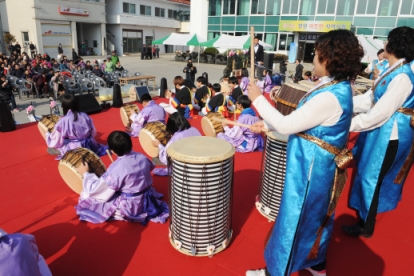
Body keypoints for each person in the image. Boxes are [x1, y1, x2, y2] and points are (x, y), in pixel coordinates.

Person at [245, 29, 364, 276]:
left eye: (318, 55)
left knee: (295, 220)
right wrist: (267, 124)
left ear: (330, 59)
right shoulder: (336, 86)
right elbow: (307, 122)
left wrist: (258, 99)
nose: (313, 59)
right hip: (316, 166)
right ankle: (317, 263)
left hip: (310, 169)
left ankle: (275, 272)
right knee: (316, 217)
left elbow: (289, 124)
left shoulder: (330, 96)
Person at [343, 26, 414, 238]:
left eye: (388, 40)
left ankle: (366, 225)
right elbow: (369, 100)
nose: (384, 43)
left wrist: (347, 124)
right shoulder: (391, 69)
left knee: (372, 177)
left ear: (395, 45)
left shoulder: (403, 77)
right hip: (381, 130)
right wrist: (342, 105)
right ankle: (365, 218)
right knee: (368, 174)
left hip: (391, 134)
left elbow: (381, 113)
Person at [75, 131, 169, 224]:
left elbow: (97, 191)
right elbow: (151, 166)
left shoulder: (116, 168)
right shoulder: (141, 156)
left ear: (112, 151)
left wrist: (86, 174)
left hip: (133, 206)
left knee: (86, 195)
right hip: (150, 197)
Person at [46, 94, 107, 159]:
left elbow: (57, 140)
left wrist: (48, 135)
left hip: (76, 146)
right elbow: (93, 132)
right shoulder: (85, 115)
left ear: (64, 107)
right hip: (91, 143)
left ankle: (64, 150)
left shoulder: (63, 120)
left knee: (52, 147)